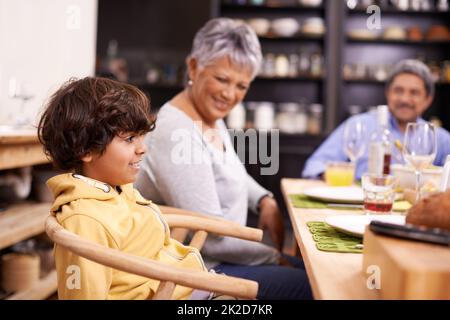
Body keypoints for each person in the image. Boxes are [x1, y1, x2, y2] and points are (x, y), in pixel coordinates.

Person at [135, 18, 312, 300]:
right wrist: (270, 255)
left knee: (313, 272)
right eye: (222, 79)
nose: (230, 95)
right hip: (201, 269)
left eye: (242, 86)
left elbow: (230, 170)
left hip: (226, 258)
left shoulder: (209, 117)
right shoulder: (177, 130)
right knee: (311, 285)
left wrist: (263, 199)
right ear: (193, 67)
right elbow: (214, 238)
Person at [38, 77, 207, 299]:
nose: (142, 148)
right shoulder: (85, 221)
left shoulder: (116, 188)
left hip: (189, 280)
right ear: (85, 149)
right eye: (129, 139)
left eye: (140, 136)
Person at [302, 59, 450, 179]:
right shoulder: (358, 125)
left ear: (428, 100)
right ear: (387, 94)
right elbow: (314, 166)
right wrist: (346, 180)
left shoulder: (440, 138)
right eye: (398, 91)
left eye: (414, 93)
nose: (405, 99)